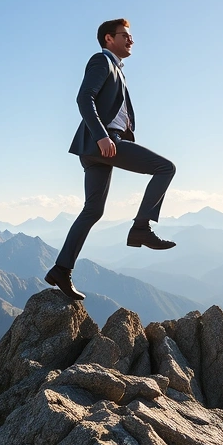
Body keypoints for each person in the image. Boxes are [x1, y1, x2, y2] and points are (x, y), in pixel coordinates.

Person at [45, 18, 177, 300]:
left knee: (93, 211)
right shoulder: (101, 62)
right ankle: (141, 228)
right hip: (104, 144)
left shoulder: (117, 69)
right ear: (108, 39)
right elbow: (84, 98)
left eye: (131, 36)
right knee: (166, 168)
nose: (131, 40)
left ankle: (61, 270)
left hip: (96, 149)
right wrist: (102, 136)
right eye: (125, 35)